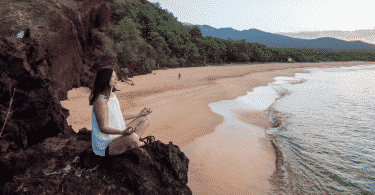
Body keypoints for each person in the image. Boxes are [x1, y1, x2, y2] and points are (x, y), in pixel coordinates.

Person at [89, 68, 151, 158]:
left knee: (145, 119)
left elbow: (119, 116)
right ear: (105, 79)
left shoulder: (113, 96)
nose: (116, 79)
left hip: (119, 135)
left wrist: (138, 115)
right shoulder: (100, 101)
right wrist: (122, 132)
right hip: (107, 144)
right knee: (132, 137)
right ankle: (138, 143)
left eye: (116, 76)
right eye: (113, 76)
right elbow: (103, 128)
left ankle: (133, 144)